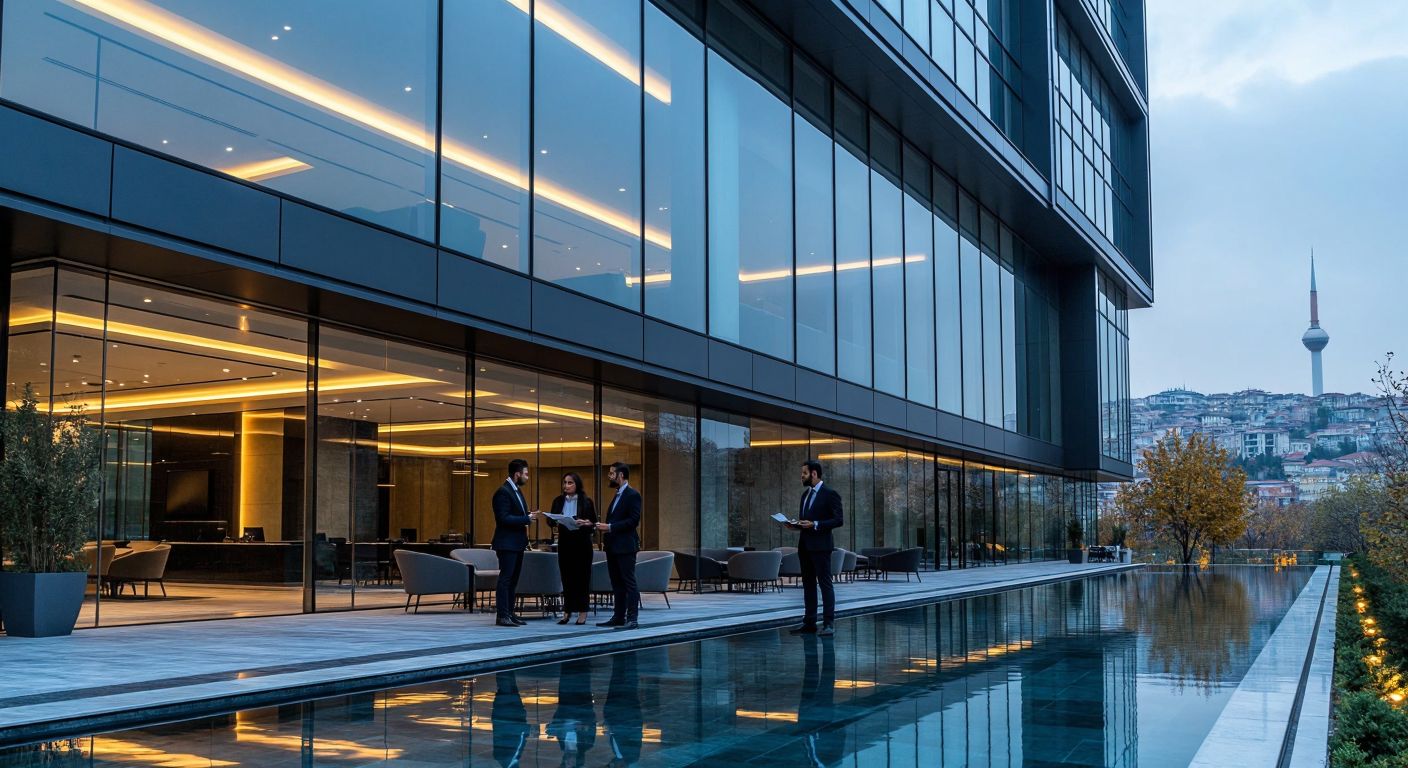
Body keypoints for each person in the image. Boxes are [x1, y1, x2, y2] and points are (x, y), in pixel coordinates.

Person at [789, 459, 844, 637]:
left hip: (821, 547)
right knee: (808, 585)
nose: (801, 476)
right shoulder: (805, 495)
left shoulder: (830, 494)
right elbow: (806, 521)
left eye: (804, 473)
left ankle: (828, 624)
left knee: (825, 584)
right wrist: (795, 525)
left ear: (814, 474)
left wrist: (816, 524)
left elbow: (838, 520)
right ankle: (809, 622)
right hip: (805, 547)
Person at [492, 458, 540, 627]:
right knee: (505, 579)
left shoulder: (516, 491)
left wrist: (527, 515)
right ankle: (502, 615)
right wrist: (526, 518)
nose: (527, 477)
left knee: (513, 580)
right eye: (525, 474)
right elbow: (503, 518)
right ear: (517, 474)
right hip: (507, 543)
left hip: (517, 543)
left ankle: (510, 614)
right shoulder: (503, 492)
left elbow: (515, 514)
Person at [547, 472, 597, 626]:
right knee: (567, 578)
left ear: (577, 485)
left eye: (570, 483)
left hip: (582, 544)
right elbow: (550, 520)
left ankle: (582, 612)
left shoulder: (586, 502)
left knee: (582, 579)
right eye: (565, 483)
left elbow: (593, 524)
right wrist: (556, 521)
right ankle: (566, 612)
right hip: (565, 544)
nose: (566, 486)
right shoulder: (558, 501)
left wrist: (585, 523)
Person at [596, 461, 641, 630]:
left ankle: (632, 618)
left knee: (629, 582)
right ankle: (618, 616)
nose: (609, 476)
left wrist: (610, 527)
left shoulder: (632, 495)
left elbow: (633, 521)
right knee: (616, 583)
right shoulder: (617, 495)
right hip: (613, 546)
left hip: (626, 546)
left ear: (621, 475)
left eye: (611, 473)